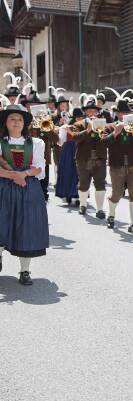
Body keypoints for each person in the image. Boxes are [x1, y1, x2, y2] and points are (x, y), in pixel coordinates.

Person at [0, 104, 49, 285]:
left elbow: (39, 168)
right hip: (2, 188)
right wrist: (13, 175)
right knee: (1, 223)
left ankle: (25, 271)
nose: (16, 122)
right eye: (12, 118)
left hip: (28, 189)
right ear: (5, 122)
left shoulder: (36, 143)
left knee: (26, 227)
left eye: (20, 119)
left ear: (25, 123)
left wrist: (24, 175)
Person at [103, 99, 133, 234]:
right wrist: (115, 133)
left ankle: (132, 223)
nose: (124, 115)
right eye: (121, 113)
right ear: (117, 114)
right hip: (117, 165)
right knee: (116, 193)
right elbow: (104, 142)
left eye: (127, 113)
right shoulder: (110, 126)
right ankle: (111, 215)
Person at [73, 98, 108, 218]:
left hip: (100, 158)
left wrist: (105, 136)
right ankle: (83, 205)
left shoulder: (104, 124)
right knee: (83, 184)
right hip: (83, 159)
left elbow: (108, 141)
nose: (92, 113)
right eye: (90, 111)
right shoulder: (79, 124)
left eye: (94, 111)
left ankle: (100, 209)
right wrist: (87, 130)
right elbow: (75, 138)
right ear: (86, 112)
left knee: (100, 184)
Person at [55, 107, 82, 206]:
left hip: (80, 149)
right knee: (68, 172)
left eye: (80, 117)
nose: (79, 119)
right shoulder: (66, 126)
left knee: (79, 173)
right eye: (77, 117)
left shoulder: (85, 125)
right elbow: (60, 142)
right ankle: (68, 194)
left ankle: (77, 195)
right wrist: (58, 131)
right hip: (68, 151)